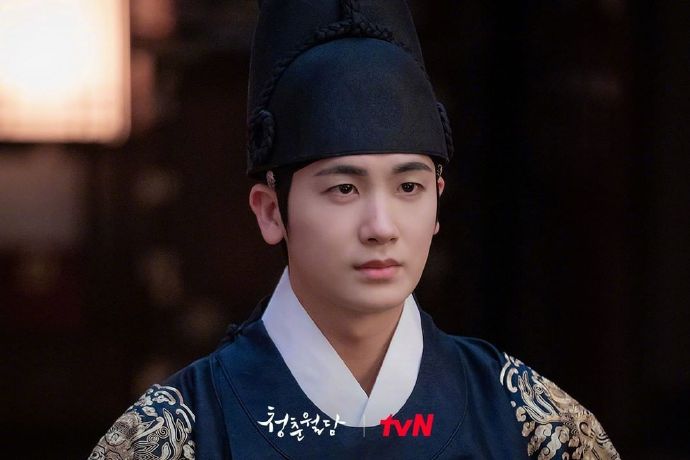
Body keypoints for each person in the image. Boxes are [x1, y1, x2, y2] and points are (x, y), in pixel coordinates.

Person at [89, 1, 620, 459]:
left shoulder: (529, 423)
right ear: (271, 211)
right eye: (344, 188)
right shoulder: (176, 434)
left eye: (408, 187)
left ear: (438, 202)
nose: (381, 227)